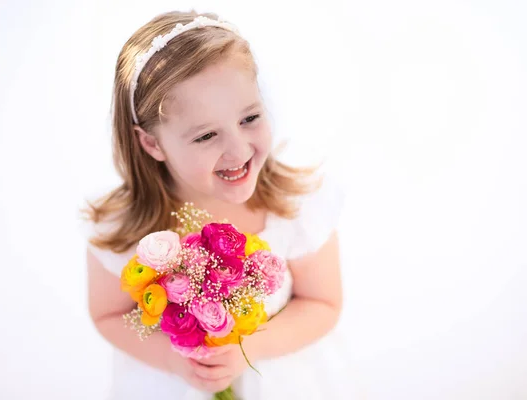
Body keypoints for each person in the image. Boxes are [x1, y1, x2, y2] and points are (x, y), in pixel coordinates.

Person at [83, 10, 357, 400]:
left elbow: (323, 303)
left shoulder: (295, 207)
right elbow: (109, 314)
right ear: (152, 144)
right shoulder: (121, 227)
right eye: (207, 135)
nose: (239, 150)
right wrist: (176, 359)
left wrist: (249, 348)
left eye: (250, 118)